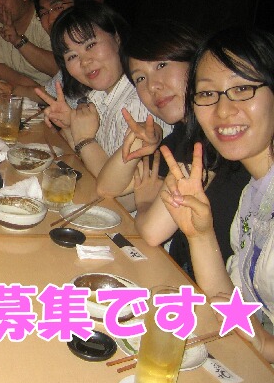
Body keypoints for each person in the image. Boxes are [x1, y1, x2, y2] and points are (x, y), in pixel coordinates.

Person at [95, 20, 250, 274]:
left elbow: (152, 231)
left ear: (197, 62)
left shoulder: (212, 139)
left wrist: (146, 203)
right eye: (140, 78)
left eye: (161, 65)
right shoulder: (180, 137)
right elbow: (107, 189)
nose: (152, 86)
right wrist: (136, 144)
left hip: (208, 284)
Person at [159, 27, 274, 362]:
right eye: (208, 94)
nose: (223, 111)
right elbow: (229, 302)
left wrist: (265, 345)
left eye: (242, 89)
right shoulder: (254, 191)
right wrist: (200, 234)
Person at [34, 3, 172, 190]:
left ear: (117, 37)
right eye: (72, 56)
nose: (85, 61)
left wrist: (84, 139)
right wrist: (70, 126)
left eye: (90, 45)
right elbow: (86, 163)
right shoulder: (99, 96)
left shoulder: (139, 103)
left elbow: (117, 192)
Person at [0, 0, 94, 103]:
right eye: (44, 12)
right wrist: (11, 89)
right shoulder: (69, 61)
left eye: (57, 8)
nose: (51, 19)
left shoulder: (98, 48)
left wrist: (18, 41)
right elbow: (49, 93)